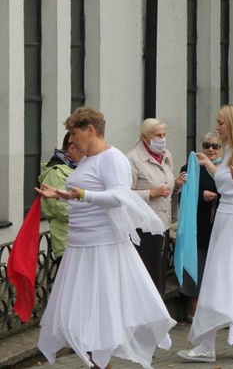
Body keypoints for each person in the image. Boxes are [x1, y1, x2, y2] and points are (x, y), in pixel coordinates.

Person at [36, 107, 175, 369]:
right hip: (80, 247)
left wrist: (81, 195)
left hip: (102, 247)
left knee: (99, 317)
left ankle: (101, 365)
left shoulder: (113, 158)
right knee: (81, 318)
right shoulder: (88, 159)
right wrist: (60, 194)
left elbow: (118, 197)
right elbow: (81, 193)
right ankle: (99, 364)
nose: (72, 140)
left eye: (74, 133)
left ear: (90, 130)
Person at [178, 104, 233, 362]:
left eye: (221, 123)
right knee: (228, 278)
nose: (217, 127)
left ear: (232, 124)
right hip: (224, 220)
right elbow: (225, 182)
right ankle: (214, 343)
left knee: (226, 279)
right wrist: (208, 164)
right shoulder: (228, 152)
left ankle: (211, 344)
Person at [126, 118, 177, 294]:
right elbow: (124, 193)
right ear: (145, 137)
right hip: (143, 226)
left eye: (164, 134)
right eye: (157, 135)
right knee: (146, 274)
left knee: (159, 272)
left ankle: (159, 315)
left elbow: (167, 184)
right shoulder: (133, 159)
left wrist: (176, 184)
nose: (162, 139)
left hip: (162, 223)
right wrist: (151, 193)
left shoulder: (166, 155)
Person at [177, 132, 223, 317]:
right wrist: (202, 196)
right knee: (198, 268)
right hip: (199, 226)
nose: (210, 149)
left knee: (217, 271)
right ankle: (195, 312)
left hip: (221, 224)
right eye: (206, 145)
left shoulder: (226, 168)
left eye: (215, 146)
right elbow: (183, 197)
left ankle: (215, 311)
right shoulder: (190, 167)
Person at [38, 132, 82, 264]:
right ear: (72, 148)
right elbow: (63, 211)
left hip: (77, 241)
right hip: (67, 244)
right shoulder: (56, 172)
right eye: (85, 149)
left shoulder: (74, 168)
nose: (89, 154)